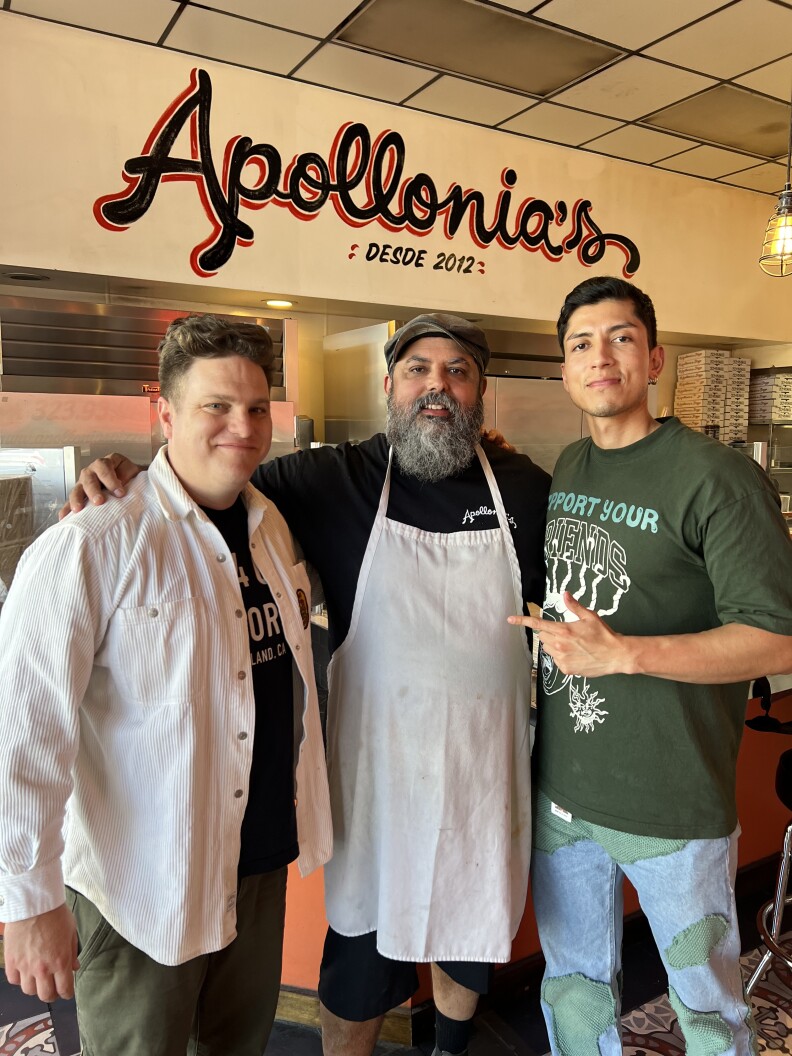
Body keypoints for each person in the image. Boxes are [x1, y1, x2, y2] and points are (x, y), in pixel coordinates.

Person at [66, 313, 551, 1056]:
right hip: (374, 788)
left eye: (457, 371)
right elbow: (211, 476)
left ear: (480, 393)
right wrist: (129, 470)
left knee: (467, 941)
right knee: (357, 972)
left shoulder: (524, 488)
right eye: (419, 369)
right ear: (390, 386)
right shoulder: (337, 478)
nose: (437, 385)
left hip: (481, 782)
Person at [0, 315, 332, 1056]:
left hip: (256, 864)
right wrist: (26, 903)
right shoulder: (91, 543)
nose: (240, 427)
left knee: (236, 1047)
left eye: (255, 408)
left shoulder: (271, 525)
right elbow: (24, 733)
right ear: (167, 414)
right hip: (140, 883)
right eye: (216, 405)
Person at [509, 276, 792, 1056]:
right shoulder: (567, 466)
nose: (600, 357)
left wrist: (626, 654)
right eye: (580, 344)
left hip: (674, 805)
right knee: (571, 991)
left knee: (707, 1012)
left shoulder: (716, 477)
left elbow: (778, 637)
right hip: (564, 796)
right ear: (565, 372)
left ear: (655, 357)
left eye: (620, 337)